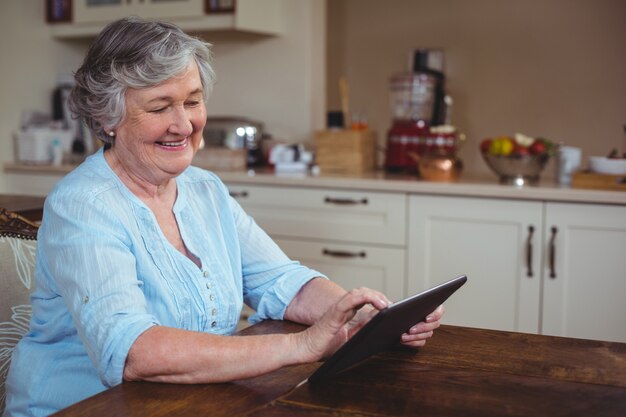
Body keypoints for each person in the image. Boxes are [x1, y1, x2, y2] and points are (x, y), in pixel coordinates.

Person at [3, 17, 444, 417]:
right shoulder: (83, 205)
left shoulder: (204, 189)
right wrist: (302, 345)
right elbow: (133, 352)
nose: (184, 124)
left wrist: (364, 319)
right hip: (80, 407)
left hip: (186, 403)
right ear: (107, 117)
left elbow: (279, 280)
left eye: (193, 101)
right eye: (160, 108)